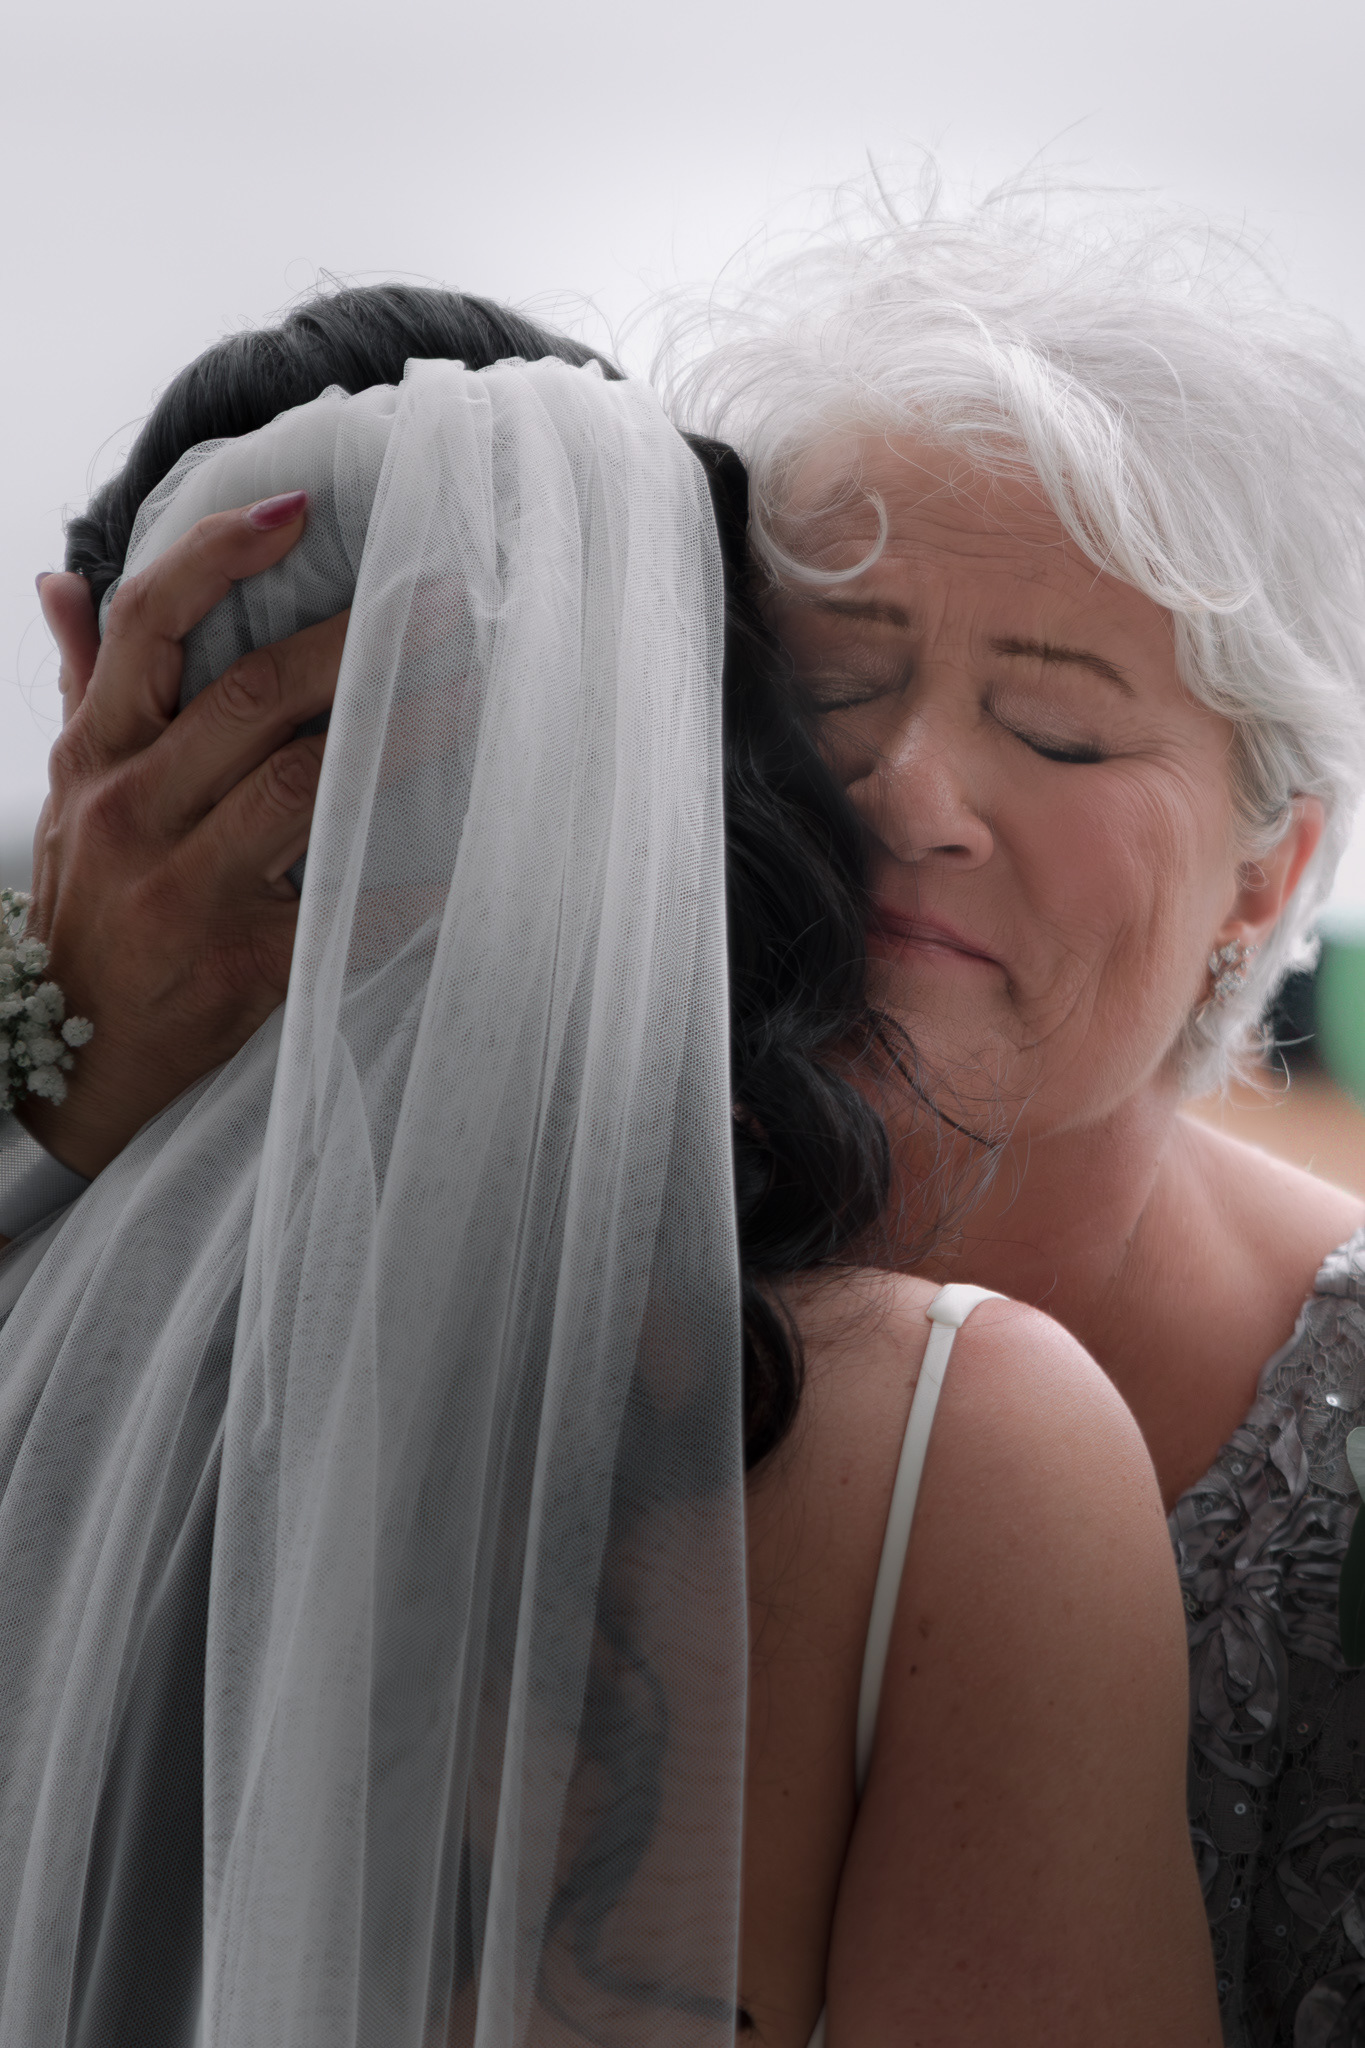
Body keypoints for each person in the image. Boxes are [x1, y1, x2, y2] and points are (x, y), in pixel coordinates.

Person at [0, 287, 1220, 2046]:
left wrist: (43, 1085)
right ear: (692, 746)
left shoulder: (34, 1336)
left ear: (79, 667)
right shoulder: (949, 1460)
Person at [669, 182, 1365, 2045]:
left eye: (1056, 731)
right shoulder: (509, 1283)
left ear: (1261, 874)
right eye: (834, 687)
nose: (910, 794)